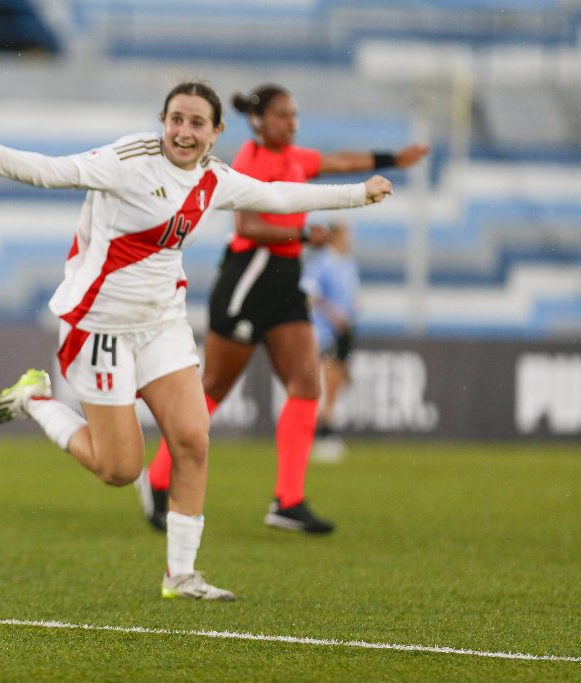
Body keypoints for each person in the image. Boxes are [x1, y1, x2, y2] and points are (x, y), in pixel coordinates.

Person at [0, 82, 392, 600]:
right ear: (163, 121)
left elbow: (278, 194)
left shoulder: (214, 178)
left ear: (216, 132)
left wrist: (357, 195)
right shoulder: (129, 159)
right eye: (176, 120)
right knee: (119, 469)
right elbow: (60, 171)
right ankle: (35, 400)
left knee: (192, 437)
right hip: (99, 324)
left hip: (162, 323)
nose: (183, 132)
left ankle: (181, 575)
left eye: (196, 123)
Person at [139, 83, 428, 534]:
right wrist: (303, 235)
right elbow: (248, 225)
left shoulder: (296, 158)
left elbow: (342, 162)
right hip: (250, 279)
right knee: (212, 389)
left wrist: (394, 160)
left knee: (306, 384)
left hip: (286, 279)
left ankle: (287, 500)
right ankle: (156, 478)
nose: (292, 123)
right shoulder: (252, 161)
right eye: (284, 116)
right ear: (260, 121)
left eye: (295, 116)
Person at [302, 220, 360, 462]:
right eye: (346, 234)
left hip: (345, 330)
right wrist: (332, 313)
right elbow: (310, 294)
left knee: (340, 379)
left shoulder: (348, 264)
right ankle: (323, 432)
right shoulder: (321, 262)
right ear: (336, 236)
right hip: (324, 331)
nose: (349, 239)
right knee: (329, 379)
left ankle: (325, 427)